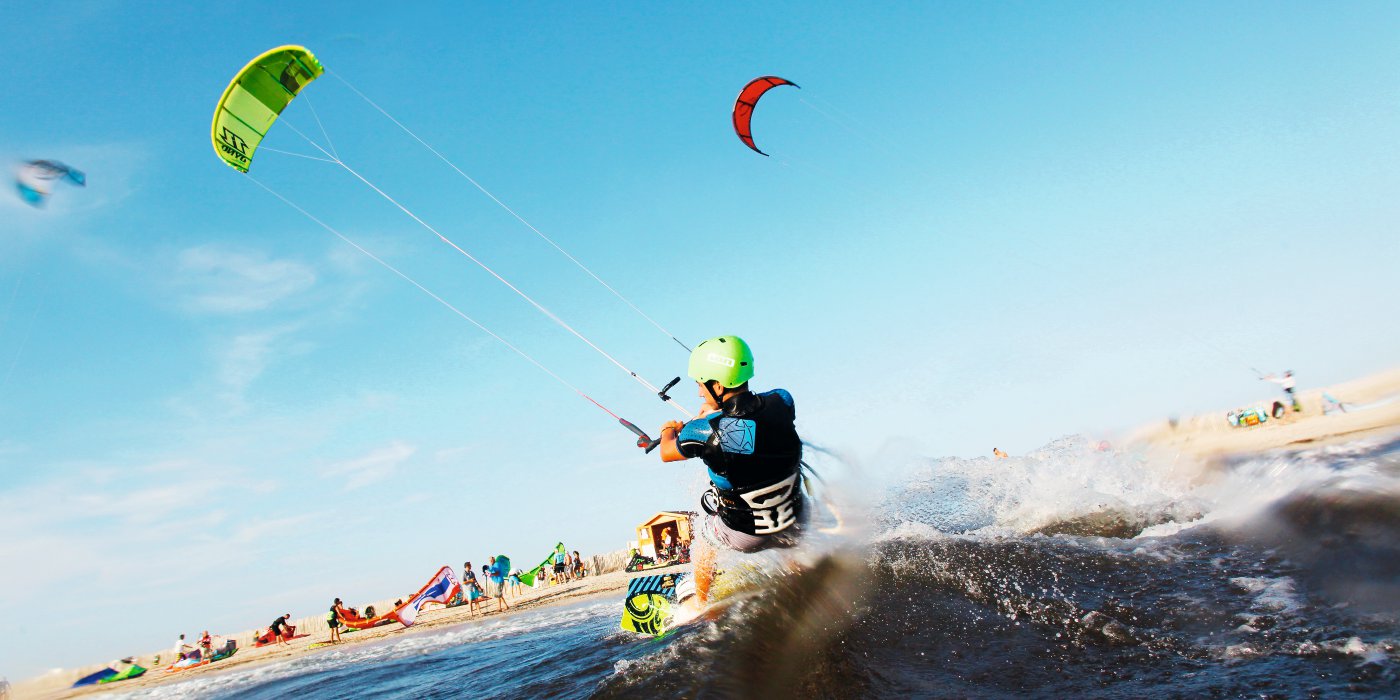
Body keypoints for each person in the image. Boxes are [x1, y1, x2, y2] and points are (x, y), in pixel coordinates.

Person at [655, 335, 804, 602]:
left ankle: (700, 603)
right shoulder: (783, 400)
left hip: (747, 534)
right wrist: (713, 413)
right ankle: (799, 574)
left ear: (718, 386)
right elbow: (747, 427)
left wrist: (669, 429)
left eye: (701, 385)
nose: (699, 392)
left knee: (703, 538)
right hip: (796, 519)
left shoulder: (703, 432)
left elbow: (667, 452)